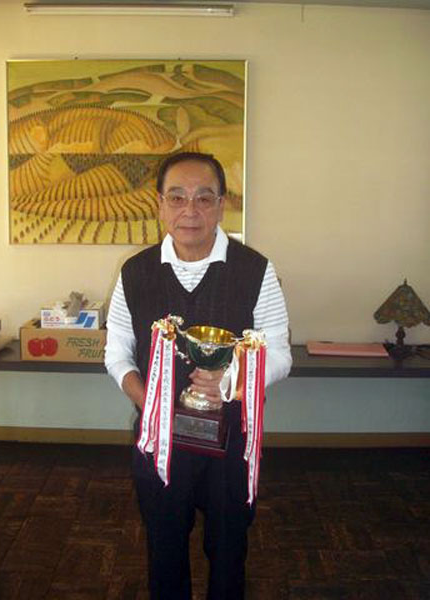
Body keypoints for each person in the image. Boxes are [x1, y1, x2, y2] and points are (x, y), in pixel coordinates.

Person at [105, 152, 292, 600]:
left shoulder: (256, 270)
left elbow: (281, 354)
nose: (190, 210)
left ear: (222, 205)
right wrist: (149, 400)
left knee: (228, 549)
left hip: (231, 439)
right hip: (160, 441)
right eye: (177, 197)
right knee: (164, 547)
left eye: (204, 198)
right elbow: (117, 353)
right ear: (159, 204)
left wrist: (231, 380)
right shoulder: (135, 273)